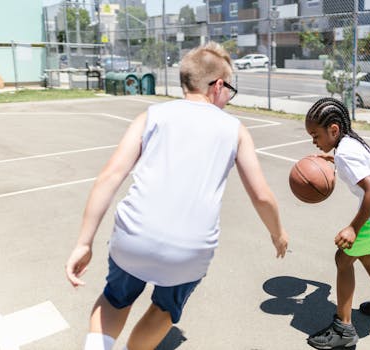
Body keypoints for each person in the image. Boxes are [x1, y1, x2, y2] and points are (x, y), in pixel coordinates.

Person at [65, 42, 289, 350]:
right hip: (190, 249)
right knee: (164, 309)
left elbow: (110, 176)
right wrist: (278, 234)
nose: (228, 98)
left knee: (115, 300)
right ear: (218, 85)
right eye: (229, 90)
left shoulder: (152, 116)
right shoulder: (234, 129)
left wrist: (83, 243)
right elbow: (262, 196)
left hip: (135, 236)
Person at [304, 98, 370, 349]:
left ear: (333, 130)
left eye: (315, 135)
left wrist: (352, 228)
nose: (313, 141)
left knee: (343, 258)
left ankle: (344, 328)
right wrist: (333, 161)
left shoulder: (344, 153)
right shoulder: (349, 143)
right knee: (363, 254)